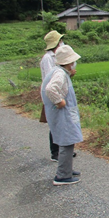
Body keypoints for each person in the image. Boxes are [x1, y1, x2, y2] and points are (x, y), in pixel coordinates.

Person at [41, 45, 83, 186]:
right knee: (66, 141)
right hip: (62, 113)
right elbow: (51, 89)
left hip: (62, 114)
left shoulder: (59, 71)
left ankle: (67, 169)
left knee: (67, 140)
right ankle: (63, 176)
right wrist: (60, 102)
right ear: (68, 62)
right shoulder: (59, 74)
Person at [40, 30, 74, 162]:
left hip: (58, 93)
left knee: (62, 123)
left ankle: (64, 151)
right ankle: (55, 152)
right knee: (55, 123)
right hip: (53, 95)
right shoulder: (48, 58)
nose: (62, 42)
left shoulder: (55, 56)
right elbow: (53, 79)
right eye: (60, 41)